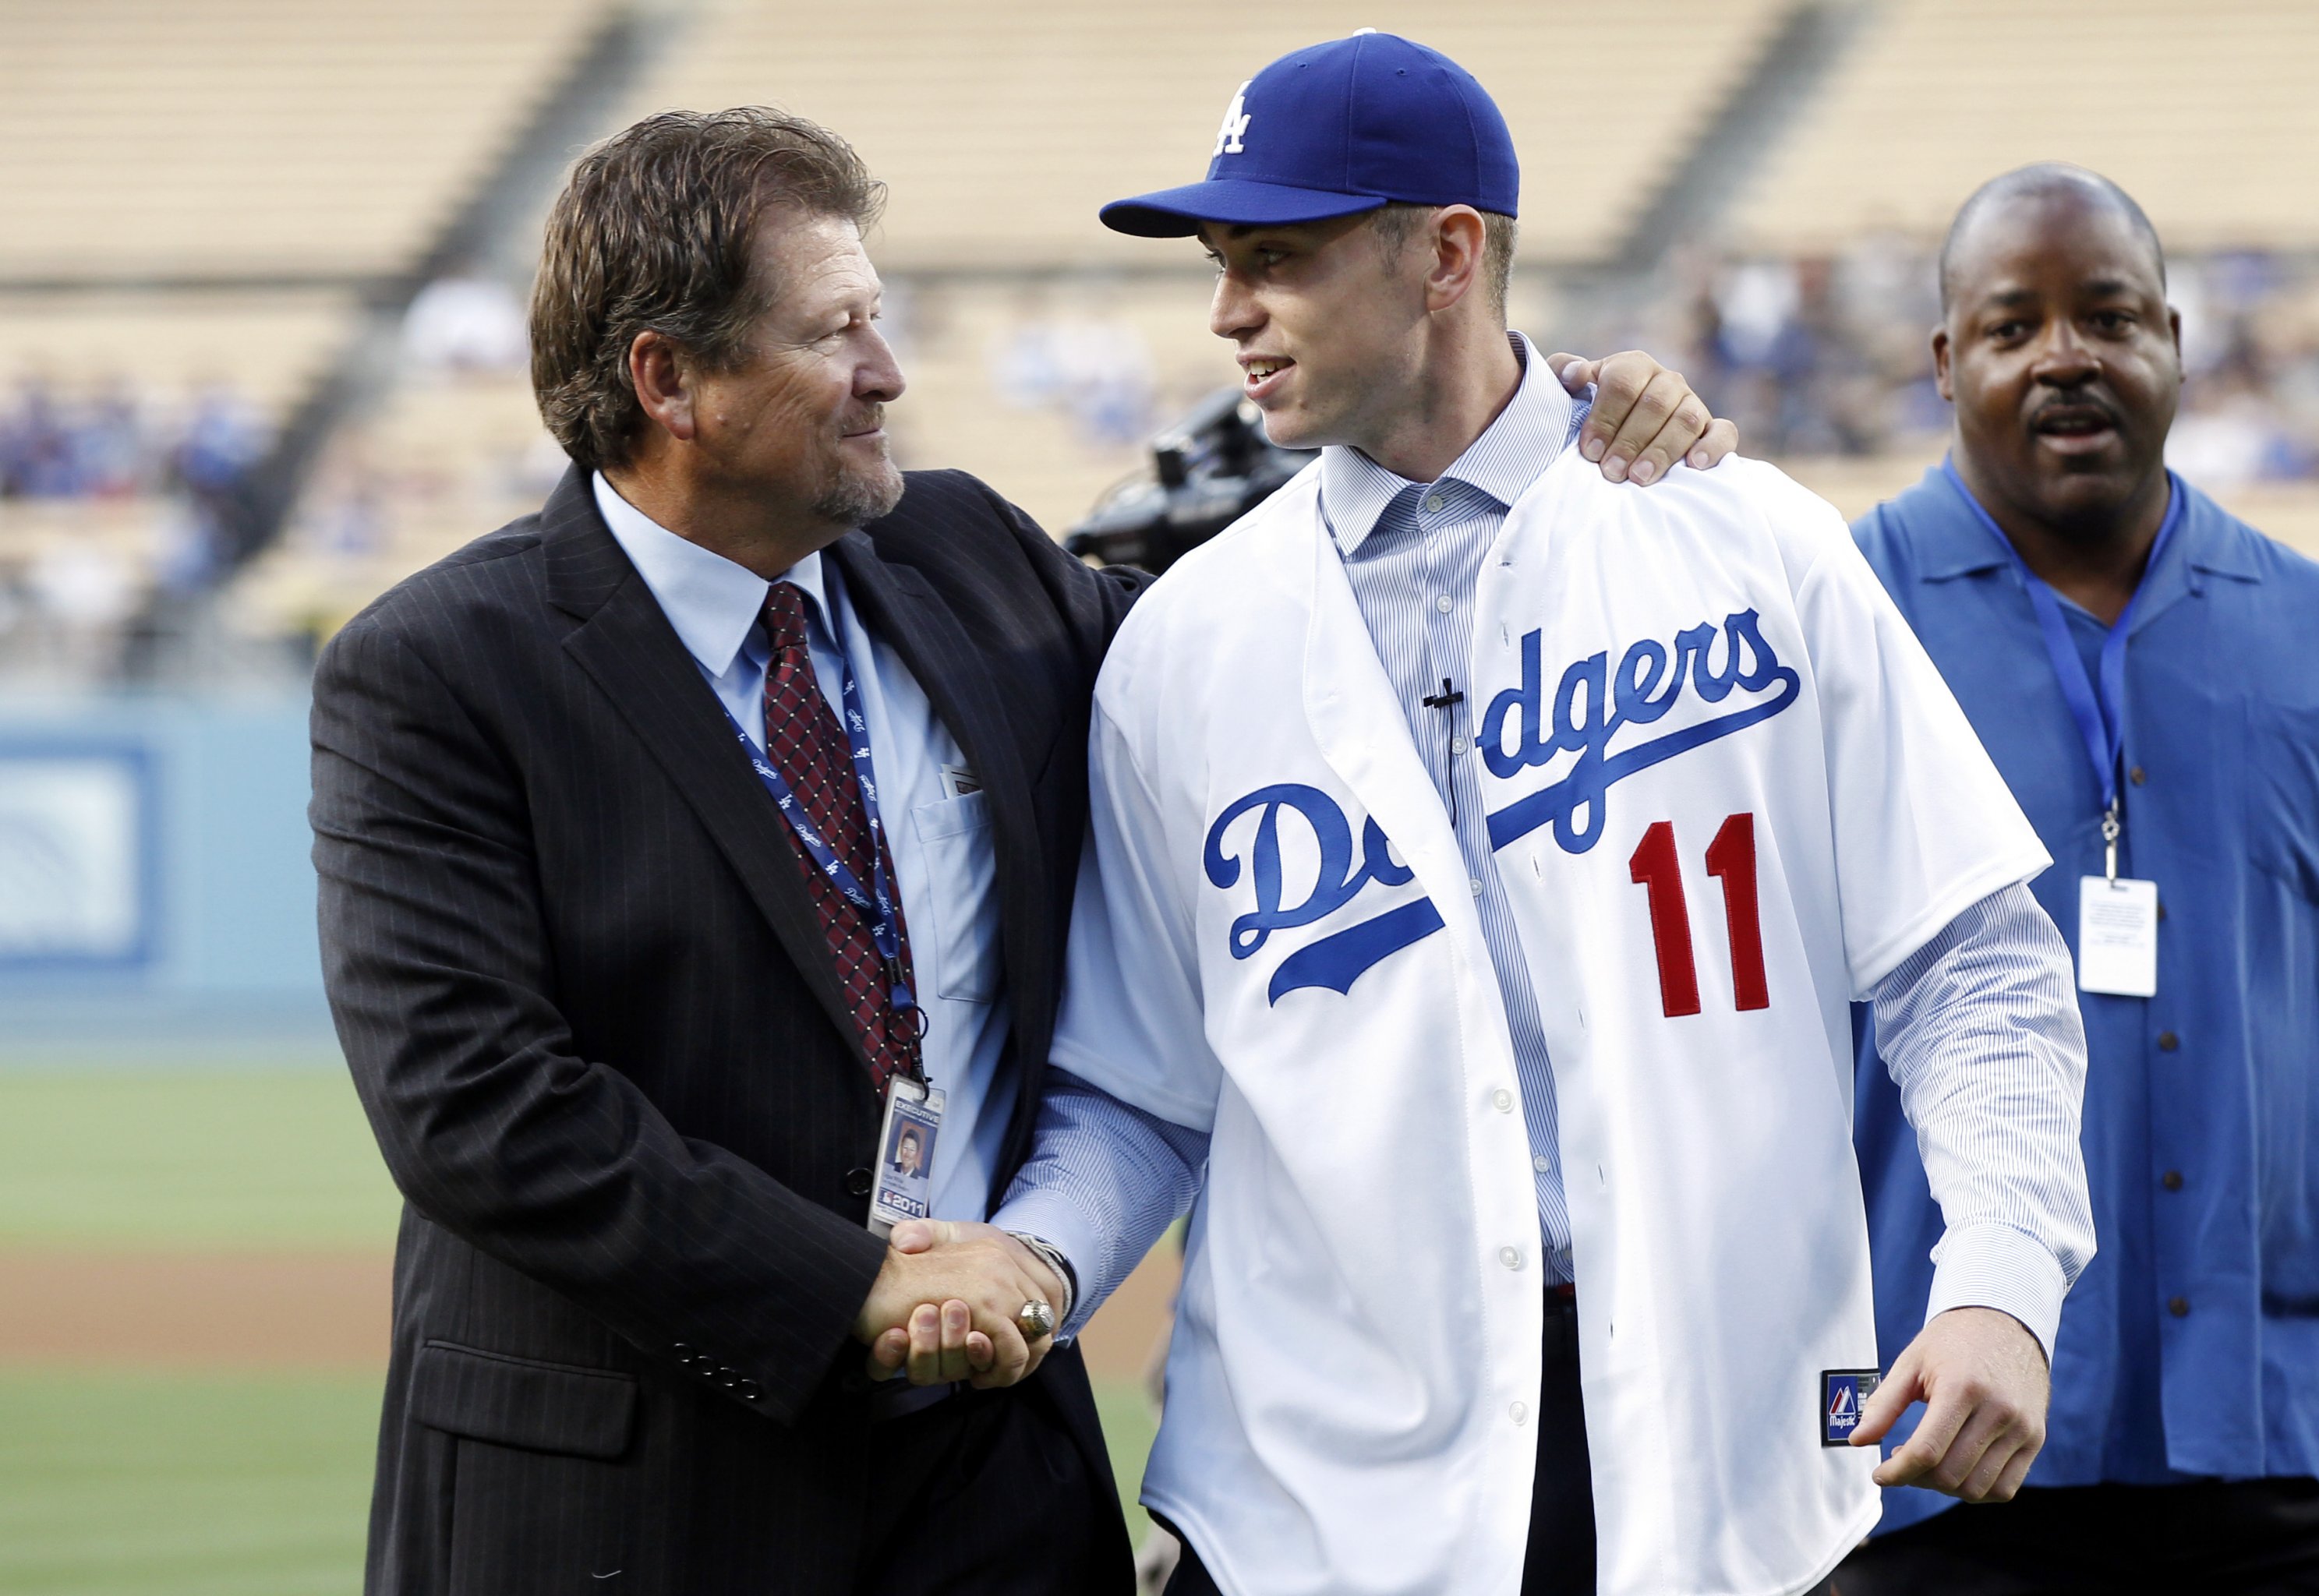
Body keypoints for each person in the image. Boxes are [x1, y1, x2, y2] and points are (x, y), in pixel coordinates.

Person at [309, 106, 1729, 1594]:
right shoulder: (439, 671)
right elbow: (478, 1110)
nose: (889, 372)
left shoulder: (964, 552)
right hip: (633, 1506)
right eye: (838, 330)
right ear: (672, 381)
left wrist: (1550, 416)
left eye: (883, 316)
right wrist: (854, 1288)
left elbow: (1293, 612)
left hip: (990, 1481)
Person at [877, 33, 2098, 1596]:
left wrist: (2000, 1280)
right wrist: (1029, 1265)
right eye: (1219, 262)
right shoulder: (1185, 644)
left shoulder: (1750, 547)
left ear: (1448, 253)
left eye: (1279, 258)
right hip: (1315, 1501)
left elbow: (1971, 963)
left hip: (1719, 1464)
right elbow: (1141, 1090)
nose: (1227, 310)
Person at [1835, 165, 2319, 1594]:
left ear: (2174, 337)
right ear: (1943, 362)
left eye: (2108, 316)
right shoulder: (1834, 623)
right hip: (1935, 1433)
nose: (2066, 357)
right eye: (2011, 326)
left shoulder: (2303, 625)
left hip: (2274, 1436)